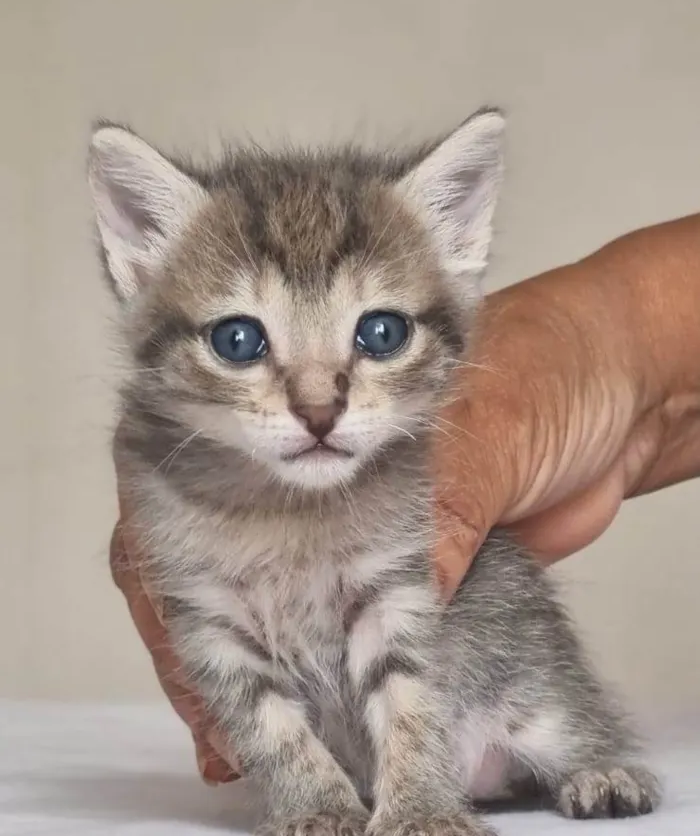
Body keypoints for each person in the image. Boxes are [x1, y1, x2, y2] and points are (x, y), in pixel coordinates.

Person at [111, 214, 700, 784]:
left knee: (499, 627)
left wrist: (628, 350)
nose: (319, 403)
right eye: (238, 340)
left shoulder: (417, 476)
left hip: (483, 714)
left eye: (379, 334)